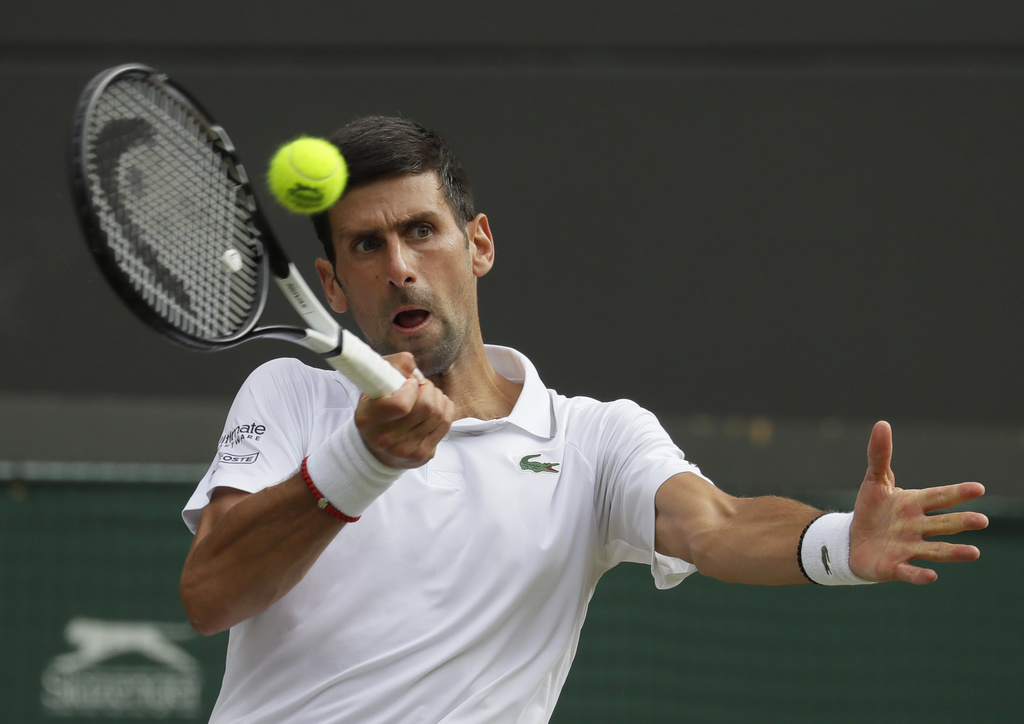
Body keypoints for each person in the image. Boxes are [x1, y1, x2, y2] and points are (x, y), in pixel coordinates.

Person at [179, 116, 988, 723]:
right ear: (331, 283)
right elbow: (211, 595)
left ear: (479, 245)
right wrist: (361, 461)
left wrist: (835, 543)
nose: (398, 267)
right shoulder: (289, 394)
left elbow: (716, 525)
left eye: (421, 231)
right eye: (366, 246)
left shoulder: (593, 440)